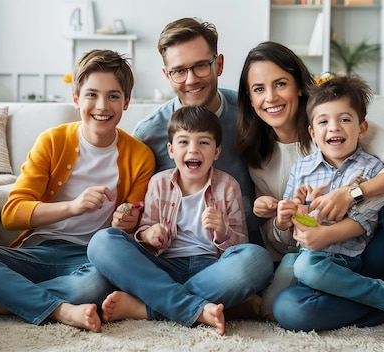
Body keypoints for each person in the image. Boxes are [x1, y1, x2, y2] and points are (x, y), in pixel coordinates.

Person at [235, 41, 384, 352]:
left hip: (364, 249)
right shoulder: (260, 154)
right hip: (320, 258)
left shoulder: (340, 119)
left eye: (280, 84)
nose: (270, 97)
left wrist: (351, 194)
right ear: (250, 100)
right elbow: (286, 241)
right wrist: (287, 216)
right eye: (258, 89)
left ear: (299, 86)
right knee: (287, 309)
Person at [0, 49, 155, 333]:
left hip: (88, 259)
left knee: (97, 284)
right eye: (92, 94)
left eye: (113, 96)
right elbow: (11, 214)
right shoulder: (52, 141)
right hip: (36, 252)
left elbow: (131, 232)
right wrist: (73, 207)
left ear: (127, 101)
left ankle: (1, 301)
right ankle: (61, 309)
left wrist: (127, 224)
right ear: (76, 99)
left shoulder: (141, 157)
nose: (102, 106)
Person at [87, 106, 273, 336]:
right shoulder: (159, 183)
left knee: (258, 259)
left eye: (204, 143)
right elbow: (145, 230)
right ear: (171, 150)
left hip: (211, 270)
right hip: (162, 268)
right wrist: (147, 234)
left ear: (216, 151)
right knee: (103, 240)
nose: (193, 150)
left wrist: (223, 231)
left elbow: (240, 246)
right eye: (184, 142)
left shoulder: (228, 186)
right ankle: (192, 306)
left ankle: (147, 307)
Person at [275, 75, 384, 318]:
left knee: (306, 269)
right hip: (305, 255)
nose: (334, 127)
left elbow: (365, 224)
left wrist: (323, 234)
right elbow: (290, 233)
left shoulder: (370, 169)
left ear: (361, 129)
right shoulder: (302, 169)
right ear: (312, 132)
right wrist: (292, 215)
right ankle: (366, 306)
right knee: (274, 307)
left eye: (344, 119)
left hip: (345, 259)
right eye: (323, 121)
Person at [132, 17, 263, 248]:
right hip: (171, 255)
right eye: (179, 71)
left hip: (239, 249)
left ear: (219, 65)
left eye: (201, 65)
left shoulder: (251, 113)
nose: (191, 80)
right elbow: (140, 215)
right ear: (166, 75)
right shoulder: (148, 135)